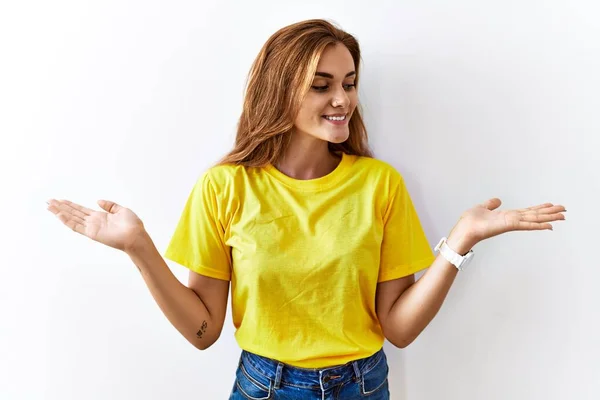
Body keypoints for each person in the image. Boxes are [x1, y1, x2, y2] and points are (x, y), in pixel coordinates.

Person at [46, 19, 566, 400]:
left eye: (348, 82)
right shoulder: (225, 187)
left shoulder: (378, 184)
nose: (342, 98)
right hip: (264, 387)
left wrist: (461, 240)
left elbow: (399, 329)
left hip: (364, 385)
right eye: (321, 85)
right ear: (279, 91)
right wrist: (138, 246)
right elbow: (203, 332)